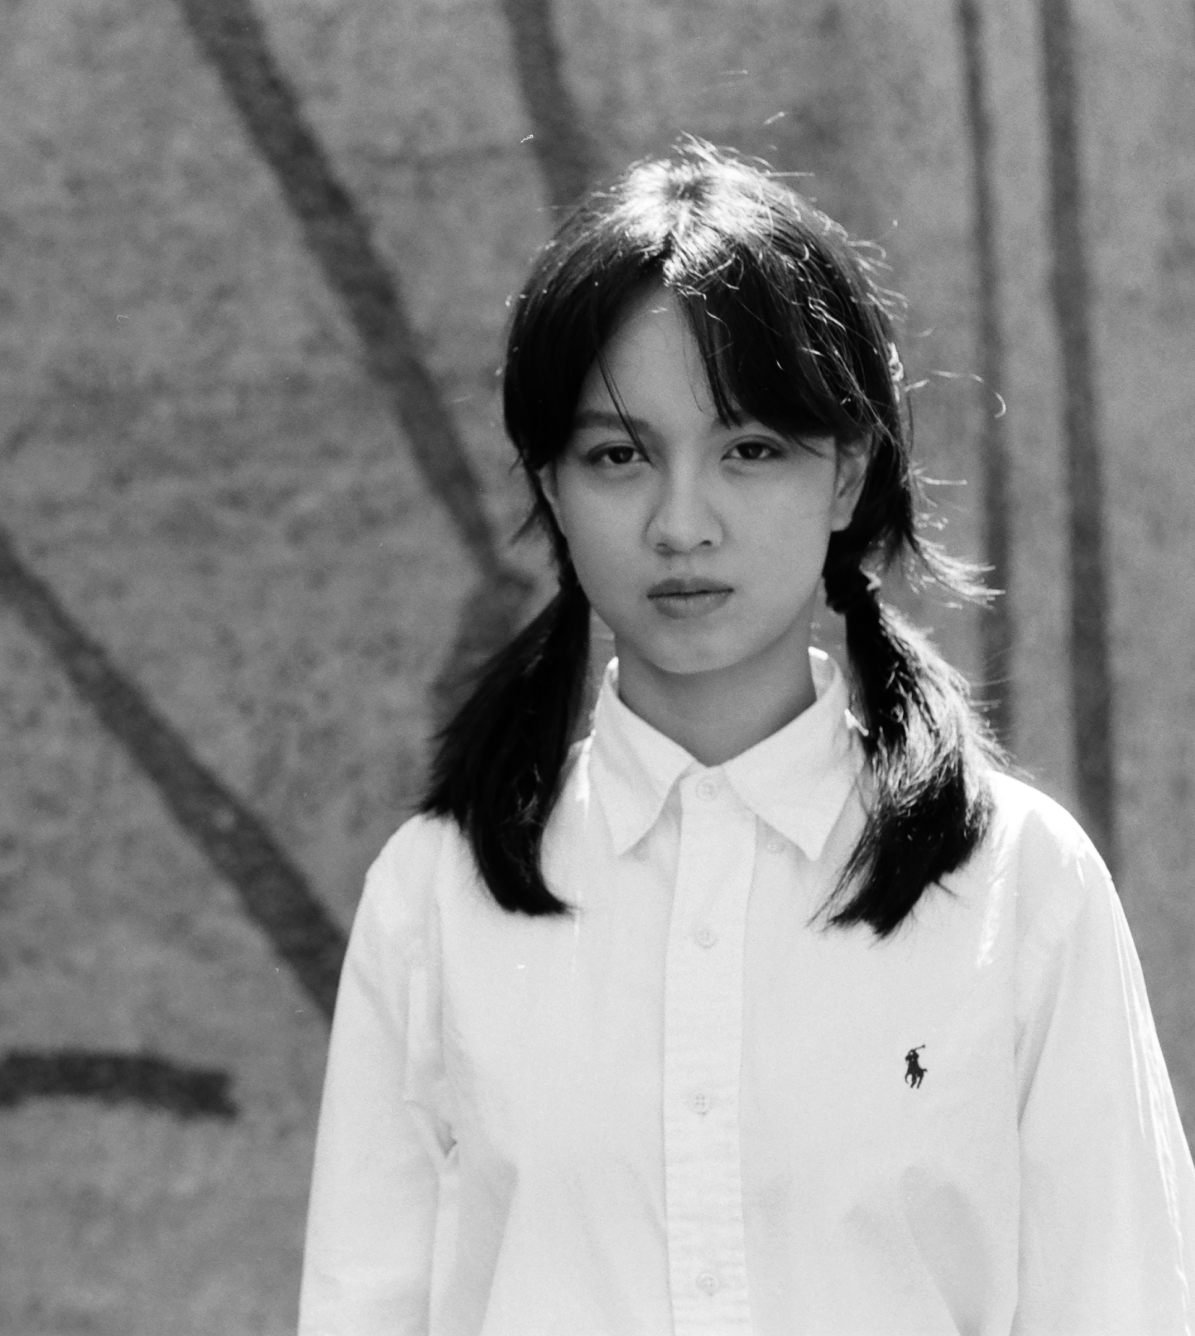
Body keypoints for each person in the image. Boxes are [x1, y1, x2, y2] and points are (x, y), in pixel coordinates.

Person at [297, 142, 1195, 1335]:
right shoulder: (435, 901)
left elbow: (1124, 1305)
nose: (681, 523)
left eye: (749, 450)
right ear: (550, 487)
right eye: (618, 456)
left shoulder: (1020, 888)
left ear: (846, 472)